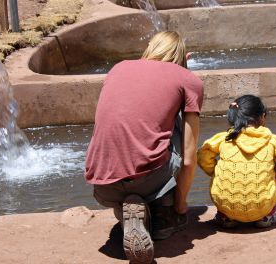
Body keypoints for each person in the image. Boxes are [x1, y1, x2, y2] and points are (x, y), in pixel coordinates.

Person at [84, 31, 203, 263]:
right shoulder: (188, 79)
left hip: (102, 185)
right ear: (182, 57)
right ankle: (162, 218)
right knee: (176, 125)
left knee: (138, 129)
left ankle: (126, 212)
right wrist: (180, 208)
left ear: (150, 48)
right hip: (151, 178)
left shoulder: (118, 68)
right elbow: (189, 158)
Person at [197, 95, 276, 228]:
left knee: (221, 184)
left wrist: (215, 172)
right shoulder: (272, 141)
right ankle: (265, 217)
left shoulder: (223, 139)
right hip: (261, 207)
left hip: (226, 205)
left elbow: (202, 155)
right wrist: (273, 177)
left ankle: (226, 217)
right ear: (262, 117)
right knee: (268, 186)